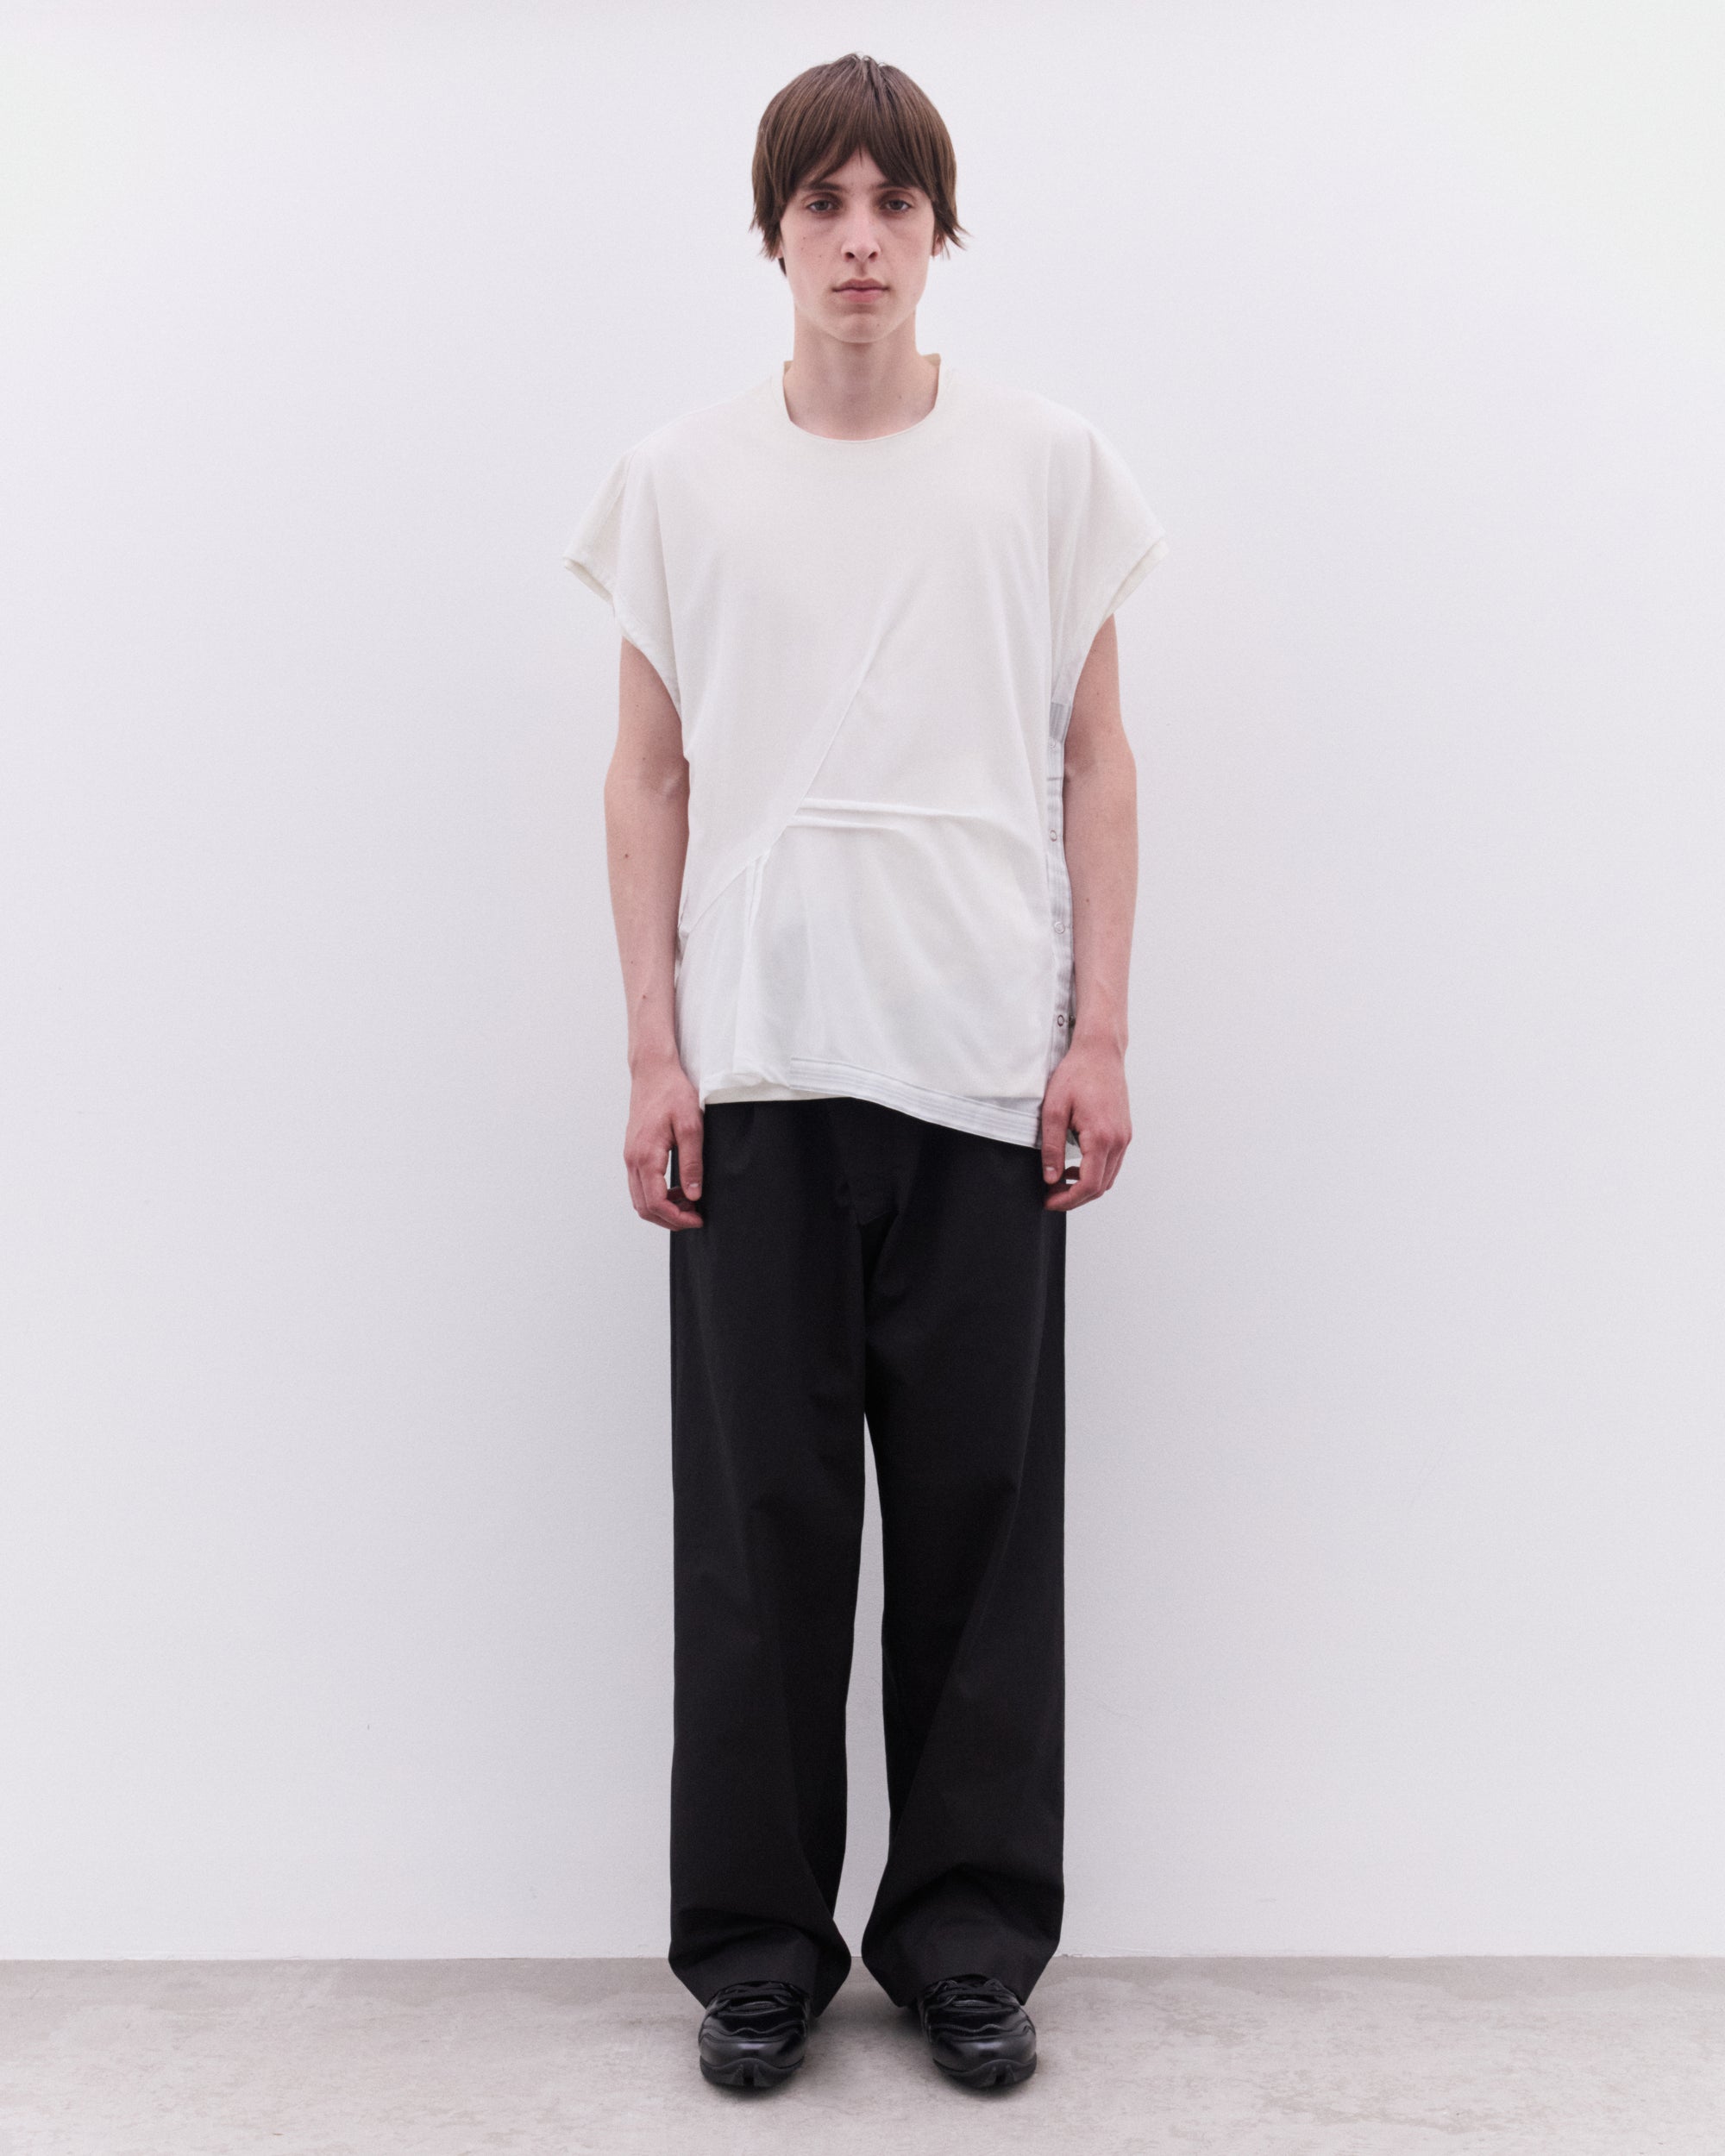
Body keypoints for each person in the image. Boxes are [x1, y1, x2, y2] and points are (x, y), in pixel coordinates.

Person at [562, 51, 1167, 2093]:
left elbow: (1095, 759)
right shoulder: (679, 479)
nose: (856, 239)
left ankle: (967, 1940)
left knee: (983, 1523)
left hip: (982, 1061)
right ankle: (756, 1948)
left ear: (936, 229)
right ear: (774, 231)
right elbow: (647, 775)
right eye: (820, 201)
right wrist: (651, 1049)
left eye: (891, 202)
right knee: (761, 1526)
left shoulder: (1046, 466)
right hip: (757, 1063)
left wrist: (1096, 1029)